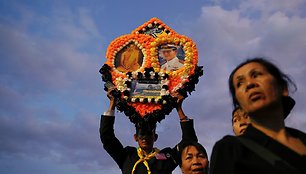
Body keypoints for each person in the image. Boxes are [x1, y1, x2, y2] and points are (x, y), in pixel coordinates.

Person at [210, 58, 306, 174]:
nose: (249, 84)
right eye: (240, 83)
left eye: (256, 75)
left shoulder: (302, 139)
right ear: (238, 103)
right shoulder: (231, 149)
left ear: (283, 88)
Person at [100, 90, 198, 174]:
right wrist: (112, 103)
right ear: (135, 137)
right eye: (141, 135)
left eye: (148, 134)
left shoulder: (167, 157)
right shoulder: (127, 156)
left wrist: (179, 108)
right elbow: (107, 137)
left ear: (155, 137)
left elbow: (189, 142)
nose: (145, 138)